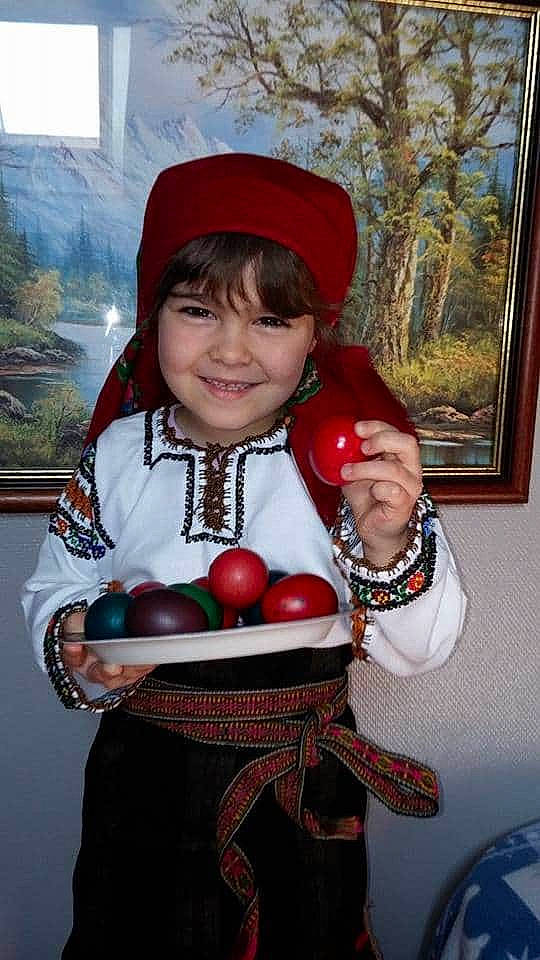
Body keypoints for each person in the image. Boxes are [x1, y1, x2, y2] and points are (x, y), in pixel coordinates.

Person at [22, 153, 466, 959]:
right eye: (198, 310)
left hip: (299, 791)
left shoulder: (352, 465)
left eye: (269, 321)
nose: (231, 351)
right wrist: (83, 635)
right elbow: (57, 585)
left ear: (315, 330)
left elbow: (417, 651)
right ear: (153, 311)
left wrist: (388, 539)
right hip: (142, 783)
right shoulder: (119, 454)